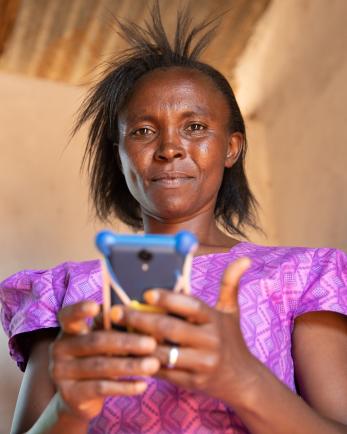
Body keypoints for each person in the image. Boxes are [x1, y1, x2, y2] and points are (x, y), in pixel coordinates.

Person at [1, 3, 346, 434]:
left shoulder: (305, 275)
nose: (170, 147)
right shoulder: (64, 291)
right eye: (143, 131)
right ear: (120, 153)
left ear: (232, 147)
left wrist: (246, 381)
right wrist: (69, 408)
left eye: (196, 127)